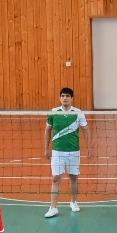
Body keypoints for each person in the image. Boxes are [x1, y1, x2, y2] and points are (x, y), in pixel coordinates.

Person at [44, 87, 90, 218]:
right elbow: (47, 130)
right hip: (57, 152)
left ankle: (73, 202)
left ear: (71, 98)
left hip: (73, 152)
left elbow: (86, 130)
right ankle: (53, 207)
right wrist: (46, 149)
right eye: (63, 96)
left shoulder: (78, 113)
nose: (65, 98)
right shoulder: (53, 112)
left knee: (73, 178)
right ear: (60, 98)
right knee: (55, 179)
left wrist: (89, 148)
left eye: (67, 96)